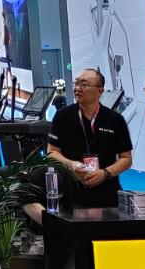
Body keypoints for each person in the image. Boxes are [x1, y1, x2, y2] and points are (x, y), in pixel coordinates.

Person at [47, 68, 135, 209]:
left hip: (108, 195)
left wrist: (105, 173)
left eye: (84, 84)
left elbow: (126, 158)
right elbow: (52, 152)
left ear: (100, 90)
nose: (78, 88)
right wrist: (71, 164)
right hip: (72, 194)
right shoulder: (63, 116)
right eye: (76, 83)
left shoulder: (115, 120)